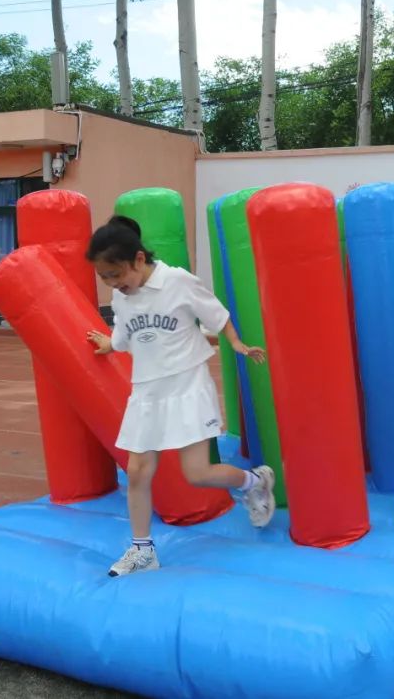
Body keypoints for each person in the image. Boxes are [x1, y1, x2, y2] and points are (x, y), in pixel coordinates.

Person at [84, 215, 276, 576]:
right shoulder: (122, 298)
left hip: (187, 386)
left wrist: (236, 343)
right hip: (147, 391)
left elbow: (216, 314)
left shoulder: (177, 281)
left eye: (117, 274)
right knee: (138, 471)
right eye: (105, 278)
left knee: (198, 473)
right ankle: (142, 551)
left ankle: (256, 482)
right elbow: (125, 336)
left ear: (139, 259)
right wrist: (108, 344)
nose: (113, 284)